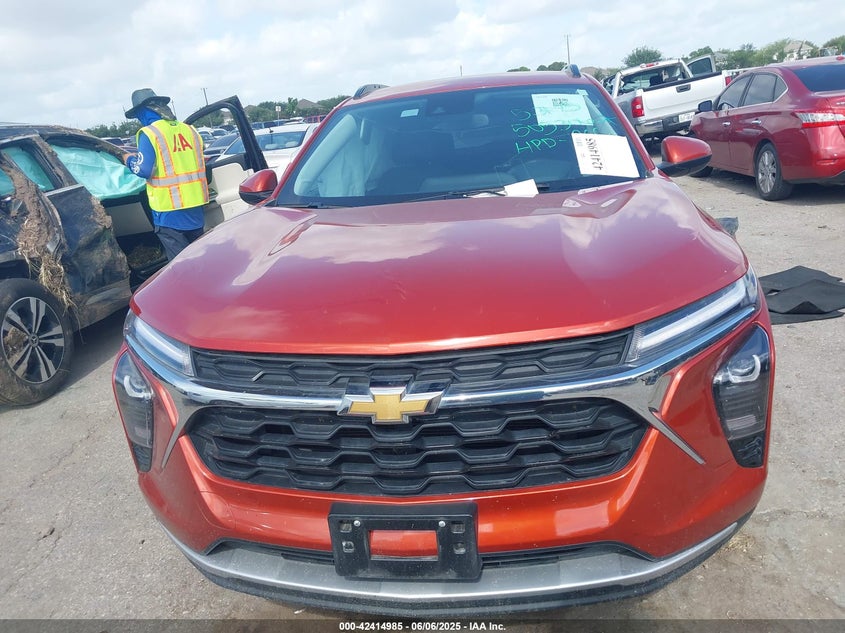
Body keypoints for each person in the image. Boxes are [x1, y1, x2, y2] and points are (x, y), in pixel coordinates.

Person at [123, 88, 209, 261]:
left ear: (142, 112)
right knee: (200, 259)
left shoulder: (150, 133)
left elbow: (144, 170)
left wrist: (129, 160)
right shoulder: (190, 130)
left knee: (181, 267)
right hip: (196, 208)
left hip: (168, 212)